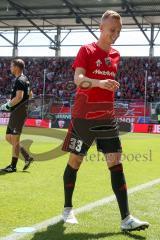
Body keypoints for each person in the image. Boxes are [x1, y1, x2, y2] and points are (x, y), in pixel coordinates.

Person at [61, 10, 149, 231]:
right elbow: (78, 80)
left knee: (115, 162)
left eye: (118, 31)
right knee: (75, 162)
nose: (115, 35)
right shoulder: (86, 50)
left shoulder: (116, 55)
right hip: (83, 116)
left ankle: (126, 219)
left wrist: (107, 86)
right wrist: (101, 83)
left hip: (106, 117)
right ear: (101, 28)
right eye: (112, 30)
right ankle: (67, 208)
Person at [0, 59, 33, 173]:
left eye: (11, 66)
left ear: (17, 67)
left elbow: (19, 97)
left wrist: (7, 105)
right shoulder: (25, 79)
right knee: (9, 138)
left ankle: (13, 166)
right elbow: (30, 94)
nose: (10, 67)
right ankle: (27, 157)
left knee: (14, 139)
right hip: (17, 111)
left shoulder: (20, 80)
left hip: (18, 112)